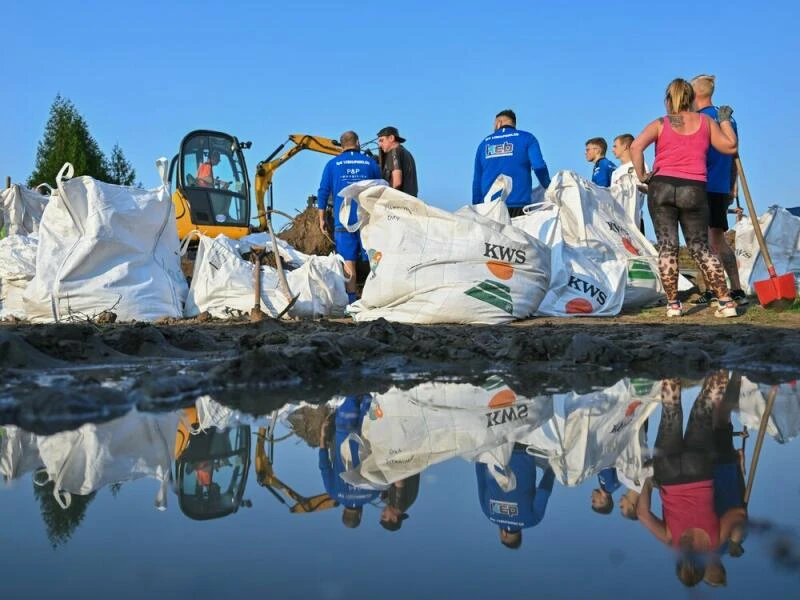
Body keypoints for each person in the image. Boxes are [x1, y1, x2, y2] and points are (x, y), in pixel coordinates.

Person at [630, 78, 740, 318]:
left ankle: (673, 305)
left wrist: (643, 176)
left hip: (661, 187)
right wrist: (724, 120)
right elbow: (731, 147)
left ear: (668, 100)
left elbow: (636, 147)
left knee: (667, 247)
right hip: (694, 188)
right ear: (691, 99)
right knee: (700, 247)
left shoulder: (662, 123)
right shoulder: (706, 122)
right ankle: (726, 301)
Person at [636, 373, 743, 588]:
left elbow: (737, 513)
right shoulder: (671, 541)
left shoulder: (715, 541)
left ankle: (720, 367)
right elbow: (642, 514)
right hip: (668, 472)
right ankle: (670, 368)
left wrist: (734, 533)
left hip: (699, 470)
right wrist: (647, 482)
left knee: (704, 407)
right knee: (670, 412)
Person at [691, 74, 748, 306]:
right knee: (718, 239)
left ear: (694, 95)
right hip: (722, 185)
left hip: (702, 184)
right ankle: (736, 288)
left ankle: (713, 289)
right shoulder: (727, 120)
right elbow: (734, 152)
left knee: (701, 241)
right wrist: (732, 184)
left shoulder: (699, 120)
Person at [316, 131, 381, 304]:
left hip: (343, 221)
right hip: (368, 220)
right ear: (358, 143)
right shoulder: (371, 163)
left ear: (341, 145)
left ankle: (351, 302)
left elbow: (323, 192)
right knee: (374, 259)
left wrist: (321, 218)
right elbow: (381, 189)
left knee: (348, 261)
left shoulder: (332, 164)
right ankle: (375, 298)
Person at [319, 395, 382, 528]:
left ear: (360, 515)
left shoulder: (373, 494)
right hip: (344, 431)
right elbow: (324, 466)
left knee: (373, 393)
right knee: (349, 390)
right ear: (343, 512)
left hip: (368, 432)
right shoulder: (334, 493)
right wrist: (323, 436)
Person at [472, 109, 551, 217]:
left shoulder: (483, 144)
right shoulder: (528, 138)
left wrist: (476, 208)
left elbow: (477, 181)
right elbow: (539, 166)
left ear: (498, 123)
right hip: (519, 206)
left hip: (489, 209)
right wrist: (549, 187)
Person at [476, 444, 555, 549]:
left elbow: (543, 492)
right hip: (493, 450)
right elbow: (481, 477)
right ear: (504, 534)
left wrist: (552, 469)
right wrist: (481, 452)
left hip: (522, 451)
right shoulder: (489, 514)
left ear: (520, 534)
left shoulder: (532, 520)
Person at [610, 133, 648, 233]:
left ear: (625, 146)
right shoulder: (615, 173)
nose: (612, 150)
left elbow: (647, 188)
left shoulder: (640, 165)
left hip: (635, 220)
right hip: (618, 221)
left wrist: (632, 186)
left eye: (615, 146)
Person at [376, 126, 418, 197]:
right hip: (411, 201)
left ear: (391, 138)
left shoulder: (394, 152)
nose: (380, 145)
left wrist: (386, 198)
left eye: (381, 140)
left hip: (399, 202)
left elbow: (397, 182)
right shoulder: (407, 153)